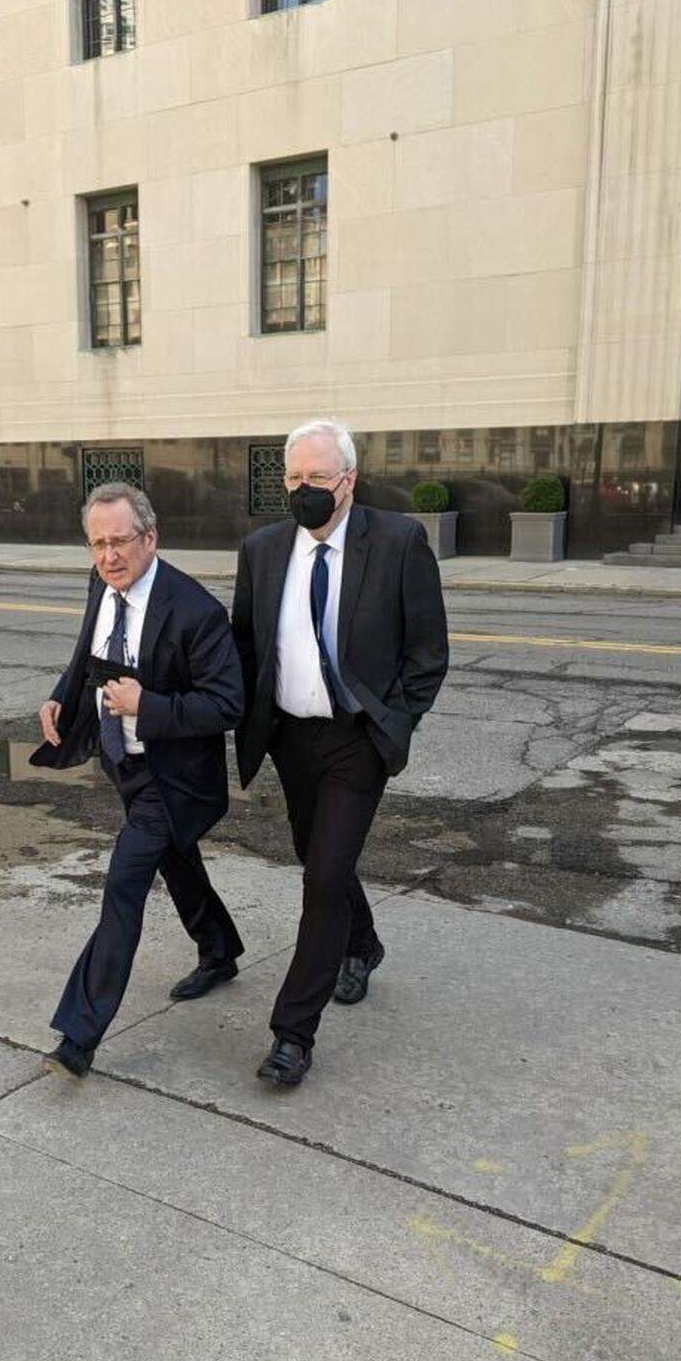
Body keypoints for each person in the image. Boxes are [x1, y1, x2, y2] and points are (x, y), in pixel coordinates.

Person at [232, 418, 448, 1087]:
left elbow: (428, 652)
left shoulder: (399, 542)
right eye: (293, 478)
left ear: (348, 481)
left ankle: (293, 1033)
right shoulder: (264, 549)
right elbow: (244, 645)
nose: (302, 490)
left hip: (357, 740)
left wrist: (395, 722)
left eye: (317, 478)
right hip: (291, 737)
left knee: (322, 877)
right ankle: (363, 942)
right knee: (318, 856)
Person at [32, 482, 244, 1078]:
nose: (108, 556)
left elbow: (227, 704)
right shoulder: (101, 584)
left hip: (175, 778)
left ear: (150, 538)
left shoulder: (195, 610)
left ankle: (79, 1035)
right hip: (123, 765)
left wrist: (147, 706)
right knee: (177, 859)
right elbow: (87, 658)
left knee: (125, 884)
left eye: (120, 542)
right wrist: (59, 698)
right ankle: (220, 950)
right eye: (97, 544)